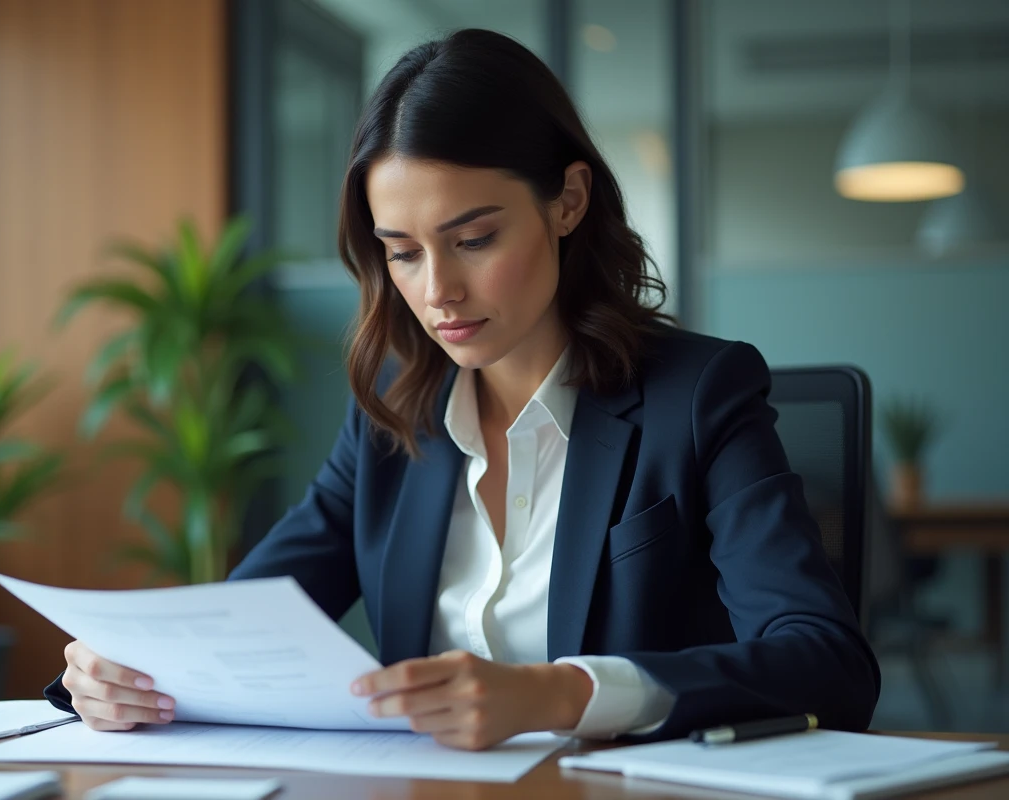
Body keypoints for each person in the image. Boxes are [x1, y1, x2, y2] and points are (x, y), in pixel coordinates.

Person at [44, 28, 880, 751]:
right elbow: (241, 628)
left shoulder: (699, 396)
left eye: (473, 238)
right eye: (402, 251)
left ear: (568, 201)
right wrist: (116, 674)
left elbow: (827, 661)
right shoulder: (392, 409)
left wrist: (561, 695)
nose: (437, 288)